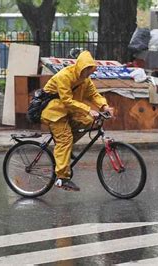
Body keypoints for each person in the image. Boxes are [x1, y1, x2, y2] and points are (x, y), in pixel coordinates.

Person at [41, 51, 114, 192]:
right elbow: (66, 100)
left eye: (90, 69)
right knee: (65, 139)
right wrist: (88, 109)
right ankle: (62, 179)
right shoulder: (64, 76)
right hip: (54, 112)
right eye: (87, 69)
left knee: (89, 121)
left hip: (69, 111)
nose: (88, 72)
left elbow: (93, 94)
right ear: (80, 67)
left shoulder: (85, 80)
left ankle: (64, 152)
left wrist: (104, 106)